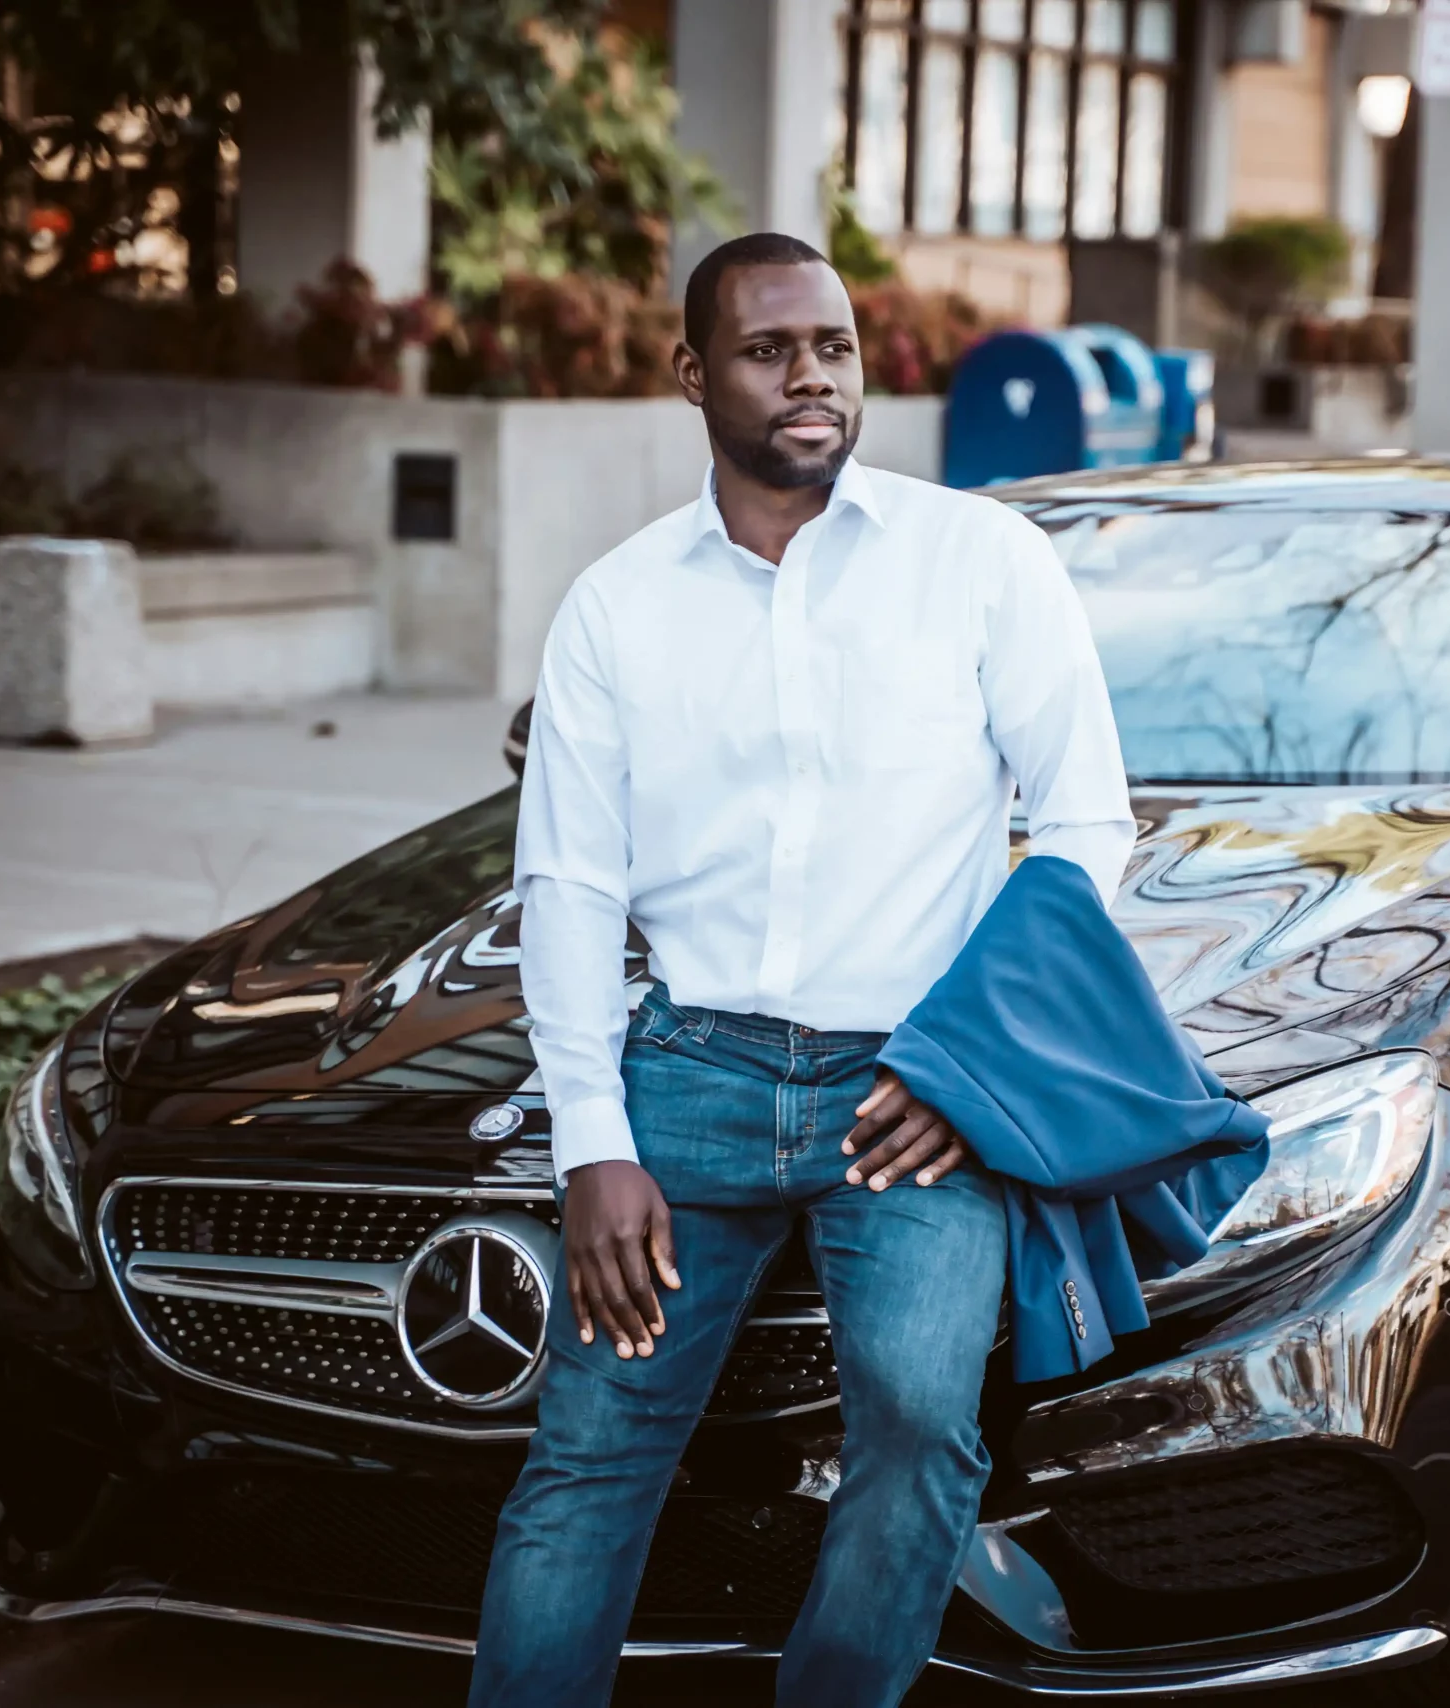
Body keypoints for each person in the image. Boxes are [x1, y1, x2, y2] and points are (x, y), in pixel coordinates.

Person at [467, 231, 1134, 1708]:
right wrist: (594, 1144)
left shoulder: (980, 565)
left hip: (910, 1097)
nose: (812, 376)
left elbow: (1087, 821)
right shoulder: (618, 608)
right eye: (771, 351)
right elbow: (567, 889)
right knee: (591, 1452)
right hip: (686, 1085)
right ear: (695, 374)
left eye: (832, 345)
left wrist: (977, 1066)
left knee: (918, 1432)